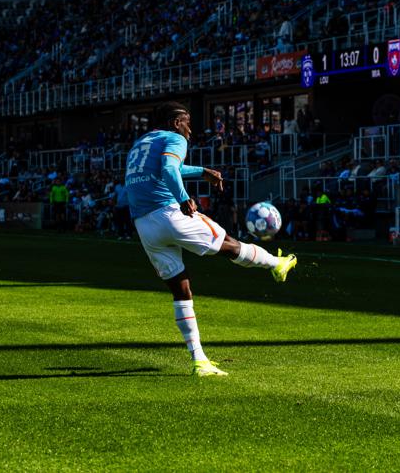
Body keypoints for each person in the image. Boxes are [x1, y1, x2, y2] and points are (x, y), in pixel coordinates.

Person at [125, 102, 297, 377]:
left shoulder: (141, 144)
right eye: (187, 122)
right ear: (175, 122)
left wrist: (201, 171)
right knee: (227, 243)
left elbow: (163, 169)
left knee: (181, 290)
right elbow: (169, 169)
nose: (190, 130)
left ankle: (199, 361)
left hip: (144, 224)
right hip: (170, 212)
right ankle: (276, 263)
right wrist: (183, 199)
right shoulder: (174, 138)